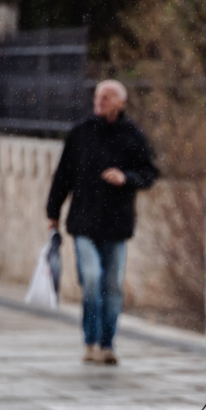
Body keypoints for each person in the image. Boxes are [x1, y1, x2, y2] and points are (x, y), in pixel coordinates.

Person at [46, 80, 158, 364]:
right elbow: (63, 176)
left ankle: (107, 344)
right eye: (97, 96)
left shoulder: (132, 135)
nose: (100, 100)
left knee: (113, 286)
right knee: (92, 279)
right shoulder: (80, 133)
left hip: (117, 225)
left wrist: (126, 178)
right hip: (83, 222)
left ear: (121, 102)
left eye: (107, 97)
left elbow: (149, 172)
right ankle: (90, 341)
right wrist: (52, 213)